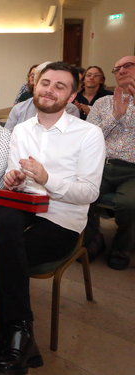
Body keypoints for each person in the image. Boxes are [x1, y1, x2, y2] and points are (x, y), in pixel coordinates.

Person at [0, 62, 105, 375]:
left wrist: (48, 178)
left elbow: (88, 193)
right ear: (35, 86)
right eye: (45, 83)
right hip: (24, 205)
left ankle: (13, 332)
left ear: (73, 95)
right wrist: (13, 177)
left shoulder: (88, 134)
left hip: (63, 218)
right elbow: (12, 175)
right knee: (0, 222)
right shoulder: (20, 129)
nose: (49, 90)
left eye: (60, 86)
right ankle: (19, 333)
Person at [85, 55, 135, 270]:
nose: (122, 70)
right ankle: (92, 240)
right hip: (102, 165)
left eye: (128, 65)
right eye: (117, 68)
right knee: (83, 195)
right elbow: (89, 137)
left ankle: (121, 248)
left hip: (132, 170)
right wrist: (115, 116)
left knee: (129, 204)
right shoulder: (103, 102)